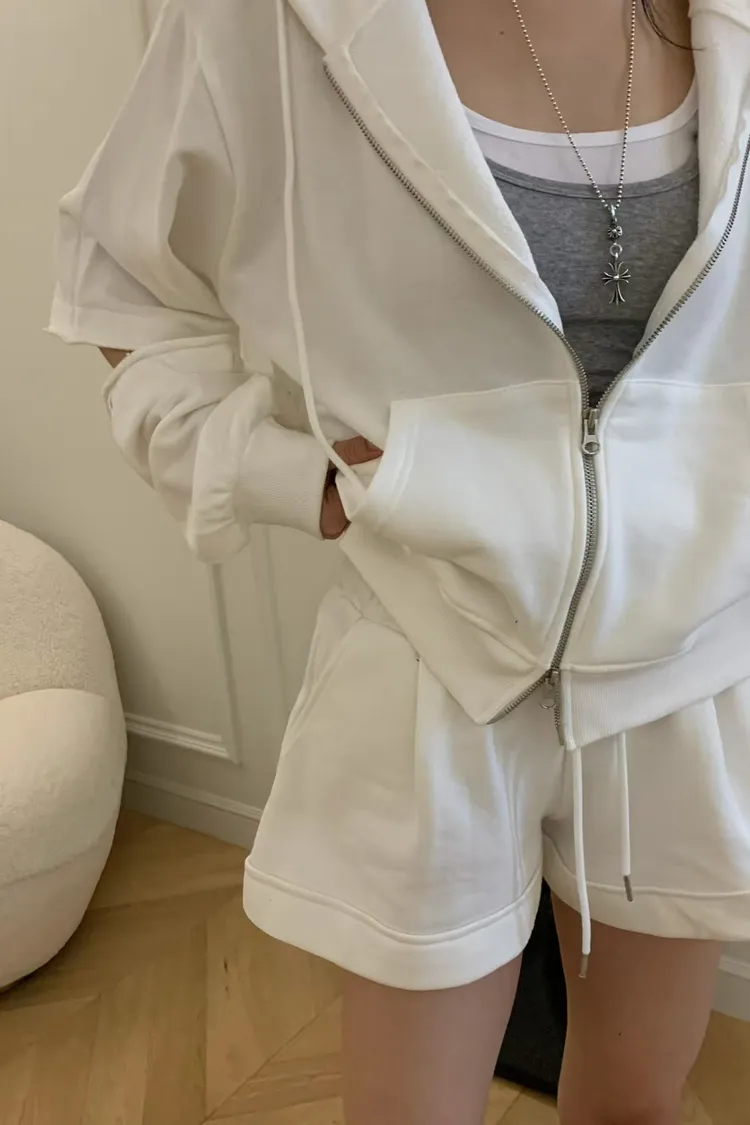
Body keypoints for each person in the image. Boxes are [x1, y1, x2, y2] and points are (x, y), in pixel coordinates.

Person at [49, 1, 750, 1122]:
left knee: (637, 1103)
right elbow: (121, 286)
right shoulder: (266, 23)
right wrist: (293, 477)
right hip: (432, 658)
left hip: (688, 658)